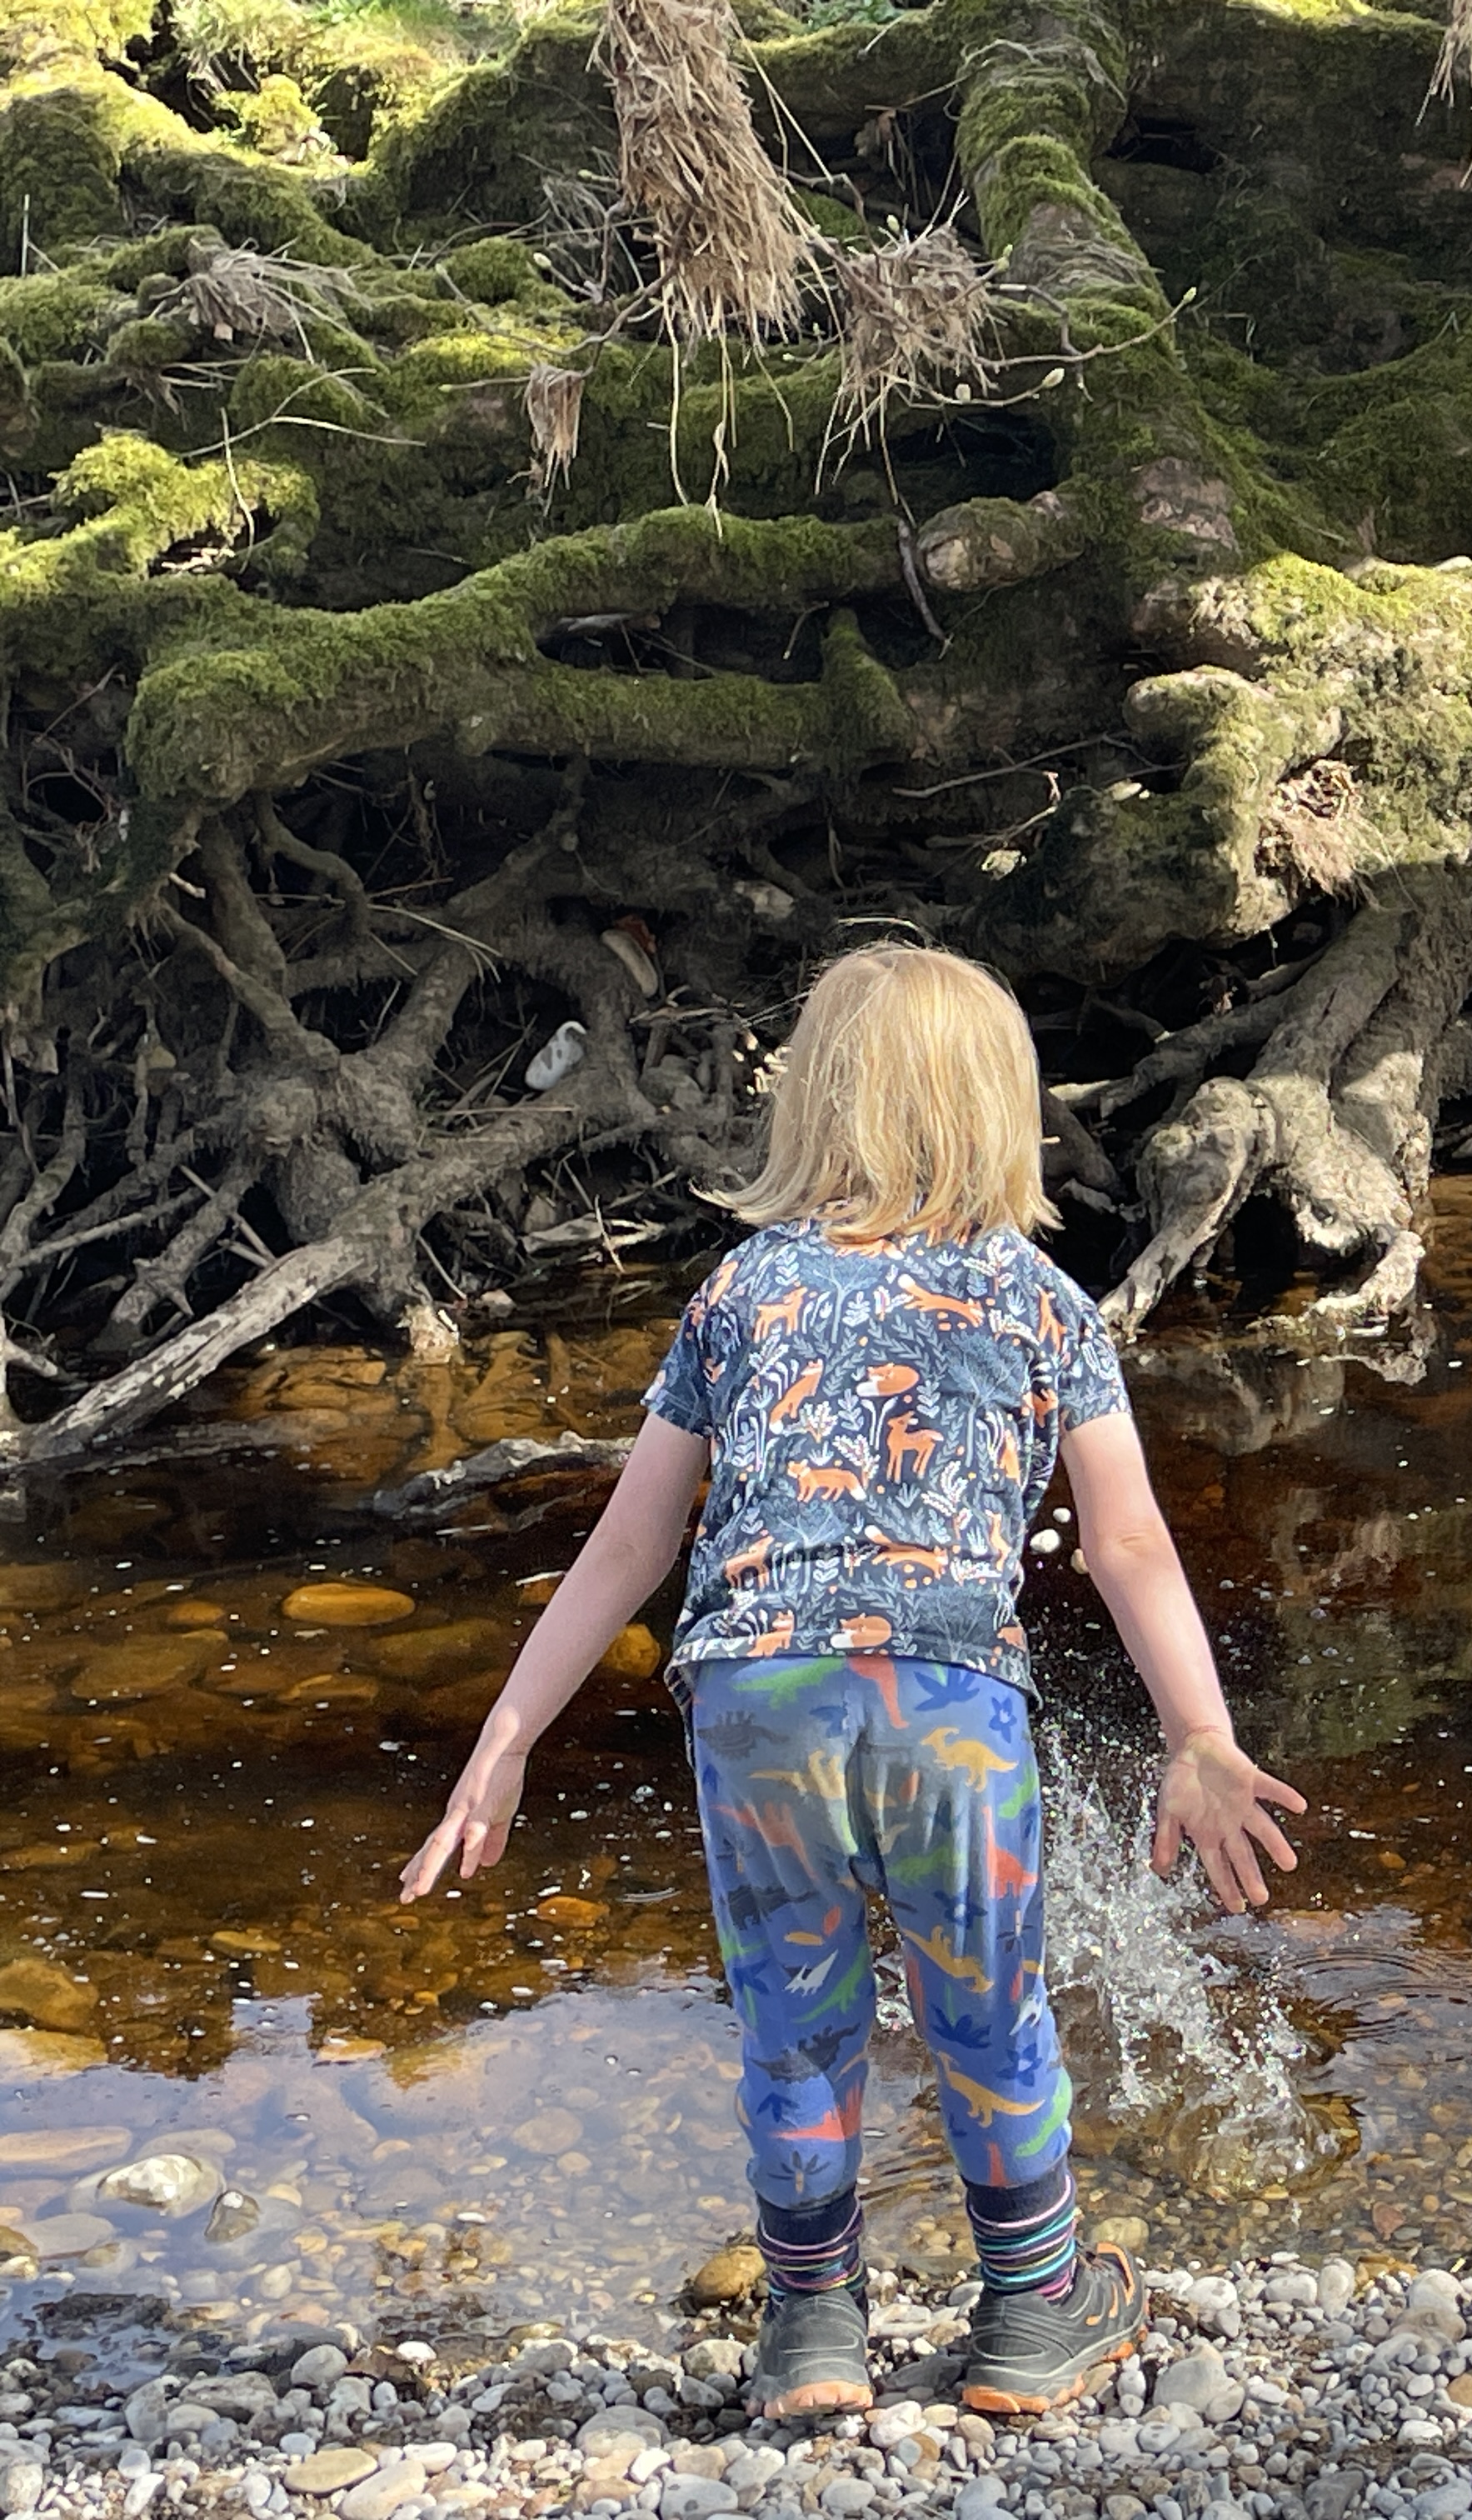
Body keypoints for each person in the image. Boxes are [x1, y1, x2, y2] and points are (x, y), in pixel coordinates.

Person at [400, 945, 1306, 2422]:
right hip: (946, 1699)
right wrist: (1196, 1732)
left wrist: (506, 1738)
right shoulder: (1040, 1300)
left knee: (795, 2018)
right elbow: (1129, 1542)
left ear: (817, 1103)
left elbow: (632, 1542)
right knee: (986, 2008)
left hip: (755, 1695)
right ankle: (1034, 2311)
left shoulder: (741, 1289)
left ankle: (813, 2331)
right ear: (999, 1111)